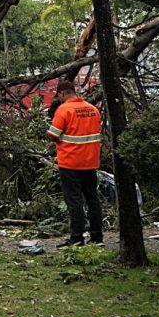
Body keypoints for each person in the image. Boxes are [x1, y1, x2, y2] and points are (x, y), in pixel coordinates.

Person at [47, 78, 103, 248]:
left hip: (70, 163)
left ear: (63, 94)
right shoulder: (93, 109)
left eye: (59, 96)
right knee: (93, 200)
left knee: (75, 201)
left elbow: (53, 134)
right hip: (90, 162)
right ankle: (97, 238)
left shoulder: (64, 110)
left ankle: (77, 238)